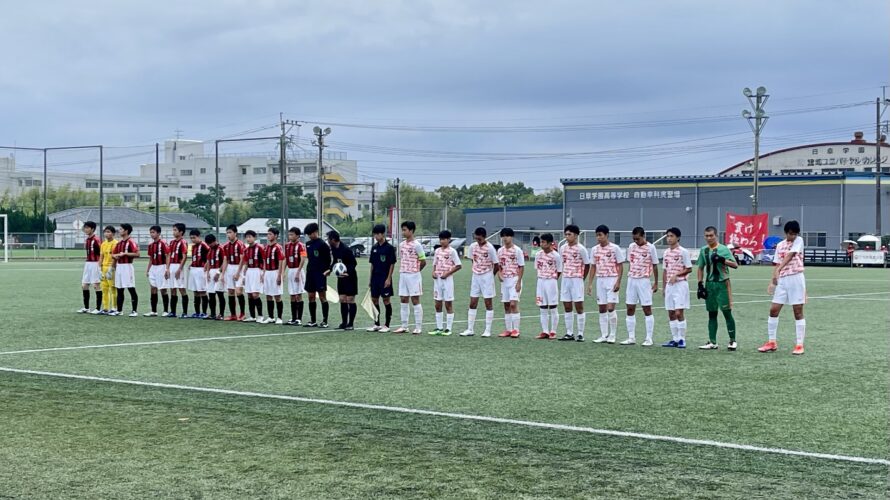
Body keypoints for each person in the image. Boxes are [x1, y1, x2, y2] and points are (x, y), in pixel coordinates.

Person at [759, 220, 807, 355]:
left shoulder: (799, 241)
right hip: (783, 281)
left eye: (794, 234)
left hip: (796, 278)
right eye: (790, 234)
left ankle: (799, 344)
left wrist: (780, 268)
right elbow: (776, 264)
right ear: (786, 233)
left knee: (797, 311)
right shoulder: (780, 245)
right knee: (773, 310)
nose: (792, 236)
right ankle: (772, 342)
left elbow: (791, 255)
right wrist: (773, 281)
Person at [696, 226, 739, 350]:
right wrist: (700, 285)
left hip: (722, 284)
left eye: (711, 235)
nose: (709, 238)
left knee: (726, 312)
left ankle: (732, 340)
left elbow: (735, 265)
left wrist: (722, 260)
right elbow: (700, 267)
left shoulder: (724, 249)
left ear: (716, 236)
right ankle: (712, 341)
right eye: (706, 236)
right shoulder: (704, 250)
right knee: (712, 313)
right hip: (710, 284)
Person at [621, 227, 659, 346]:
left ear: (643, 236)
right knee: (630, 308)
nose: (636, 241)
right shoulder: (631, 246)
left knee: (646, 309)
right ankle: (631, 337)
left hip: (644, 280)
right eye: (634, 239)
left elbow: (655, 265)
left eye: (638, 239)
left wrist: (656, 282)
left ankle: (649, 338)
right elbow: (630, 263)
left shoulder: (651, 247)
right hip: (632, 279)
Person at [587, 225, 624, 344]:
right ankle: (604, 335)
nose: (598, 238)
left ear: (607, 235)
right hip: (600, 280)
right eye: (597, 235)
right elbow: (593, 266)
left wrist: (618, 281)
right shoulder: (594, 249)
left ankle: (612, 335)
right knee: (602, 308)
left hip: (612, 279)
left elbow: (620, 265)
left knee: (610, 307)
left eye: (600, 235)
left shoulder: (615, 248)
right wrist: (590, 284)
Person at [461, 227, 499, 337]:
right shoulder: (473, 247)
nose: (478, 241)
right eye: (476, 239)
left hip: (487, 276)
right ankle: (470, 329)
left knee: (488, 302)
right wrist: (477, 269)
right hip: (476, 276)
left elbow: (496, 264)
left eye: (480, 239)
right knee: (473, 302)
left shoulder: (490, 248)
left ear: (484, 237)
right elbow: (473, 259)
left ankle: (487, 330)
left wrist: (491, 276)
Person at [661, 227, 692, 348]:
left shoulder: (683, 251)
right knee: (671, 313)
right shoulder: (666, 253)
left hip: (680, 284)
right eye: (668, 236)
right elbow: (664, 271)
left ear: (678, 237)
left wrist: (677, 275)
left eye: (671, 236)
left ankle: (682, 339)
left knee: (679, 313)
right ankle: (674, 339)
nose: (669, 238)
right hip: (670, 286)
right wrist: (664, 287)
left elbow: (689, 268)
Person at [558, 224, 590, 342]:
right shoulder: (562, 248)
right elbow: (562, 263)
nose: (567, 236)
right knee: (567, 306)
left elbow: (587, 265)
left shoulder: (581, 249)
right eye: (566, 234)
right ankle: (569, 332)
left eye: (569, 234)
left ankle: (580, 333)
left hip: (577, 279)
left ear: (576, 235)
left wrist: (582, 278)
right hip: (566, 279)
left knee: (579, 306)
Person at [395, 221, 426, 334]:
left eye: (405, 230)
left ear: (411, 231)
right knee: (403, 299)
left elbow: (423, 261)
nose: (403, 232)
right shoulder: (402, 245)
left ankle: (418, 327)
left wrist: (415, 271)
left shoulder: (417, 245)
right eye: (402, 230)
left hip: (413, 275)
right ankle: (404, 326)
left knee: (415, 300)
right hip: (403, 274)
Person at [428, 230, 461, 336]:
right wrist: (433, 272)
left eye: (444, 239)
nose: (442, 241)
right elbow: (435, 263)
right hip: (437, 281)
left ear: (449, 240)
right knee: (437, 304)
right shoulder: (437, 251)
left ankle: (448, 328)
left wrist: (447, 273)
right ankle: (439, 327)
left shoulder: (452, 251)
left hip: (447, 281)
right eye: (441, 239)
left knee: (448, 304)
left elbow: (458, 265)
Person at [366, 224, 396, 332]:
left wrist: (388, 279)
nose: (375, 236)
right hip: (375, 278)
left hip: (384, 277)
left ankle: (387, 325)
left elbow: (392, 264)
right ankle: (376, 323)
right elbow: (372, 265)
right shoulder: (374, 248)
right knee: (374, 300)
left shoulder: (389, 248)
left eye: (377, 234)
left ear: (382, 234)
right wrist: (370, 279)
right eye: (374, 234)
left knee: (386, 300)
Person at [327, 230, 358, 330]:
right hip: (341, 278)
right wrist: (330, 270)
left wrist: (347, 272)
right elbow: (335, 261)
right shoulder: (334, 248)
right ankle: (344, 323)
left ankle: (351, 324)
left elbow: (354, 263)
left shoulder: (346, 249)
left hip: (350, 277)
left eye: (328, 239)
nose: (327, 241)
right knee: (342, 299)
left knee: (350, 300)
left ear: (333, 239)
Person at [497, 227, 525, 338]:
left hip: (514, 279)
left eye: (507, 236)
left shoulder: (517, 250)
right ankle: (508, 330)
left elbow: (521, 266)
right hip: (505, 280)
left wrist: (519, 281)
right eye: (503, 236)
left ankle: (516, 330)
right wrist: (499, 274)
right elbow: (499, 265)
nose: (505, 238)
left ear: (511, 237)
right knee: (506, 305)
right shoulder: (500, 251)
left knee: (513, 304)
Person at [534, 233, 563, 340]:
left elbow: (559, 270)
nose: (541, 244)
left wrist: (553, 279)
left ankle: (553, 331)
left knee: (553, 306)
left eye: (543, 242)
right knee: (542, 307)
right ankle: (545, 331)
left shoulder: (556, 255)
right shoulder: (538, 255)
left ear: (550, 243)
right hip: (540, 281)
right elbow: (537, 268)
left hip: (551, 281)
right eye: (540, 242)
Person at [303, 223, 332, 328]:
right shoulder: (308, 244)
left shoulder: (323, 245)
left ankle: (325, 321)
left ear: (316, 232)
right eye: (308, 235)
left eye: (311, 234)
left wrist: (326, 271)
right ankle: (313, 320)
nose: (310, 236)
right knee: (310, 296)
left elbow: (328, 260)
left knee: (322, 297)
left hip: (320, 274)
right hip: (310, 273)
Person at [234, 230, 265, 323]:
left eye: (250, 237)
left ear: (254, 238)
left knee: (255, 294)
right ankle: (252, 316)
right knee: (250, 294)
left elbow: (264, 260)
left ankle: (260, 315)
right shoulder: (246, 250)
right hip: (249, 272)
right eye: (247, 237)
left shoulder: (260, 248)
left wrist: (263, 273)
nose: (248, 239)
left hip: (257, 271)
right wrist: (243, 276)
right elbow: (246, 263)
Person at [111, 223, 140, 317]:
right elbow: (113, 254)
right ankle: (119, 310)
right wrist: (115, 257)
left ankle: (134, 311)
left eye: (121, 229)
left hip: (127, 266)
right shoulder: (119, 243)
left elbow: (137, 254)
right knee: (119, 289)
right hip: (119, 266)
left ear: (126, 231)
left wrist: (125, 254)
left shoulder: (131, 242)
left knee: (131, 288)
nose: (119, 231)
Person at [220, 225, 247, 321]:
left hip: (238, 268)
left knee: (239, 291)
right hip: (230, 268)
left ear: (235, 233)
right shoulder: (226, 246)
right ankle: (233, 315)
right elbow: (225, 260)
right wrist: (223, 274)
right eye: (227, 233)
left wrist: (238, 273)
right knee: (231, 292)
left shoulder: (240, 244)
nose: (228, 235)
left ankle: (243, 313)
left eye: (230, 232)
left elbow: (242, 259)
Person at [165, 223, 189, 318]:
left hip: (178, 266)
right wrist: (167, 268)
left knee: (181, 288)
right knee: (172, 289)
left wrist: (180, 269)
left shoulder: (183, 242)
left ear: (181, 232)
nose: (173, 232)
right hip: (171, 266)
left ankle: (185, 313)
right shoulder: (172, 242)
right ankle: (173, 312)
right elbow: (169, 256)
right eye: (173, 230)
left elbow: (184, 256)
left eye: (175, 230)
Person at [261, 228, 285, 325]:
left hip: (275, 272)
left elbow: (281, 261)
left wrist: (279, 275)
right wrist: (263, 273)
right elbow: (264, 261)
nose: (268, 236)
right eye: (268, 234)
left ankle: (279, 317)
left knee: (277, 296)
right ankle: (270, 317)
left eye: (270, 234)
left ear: (275, 236)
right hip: (268, 272)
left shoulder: (278, 247)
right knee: (268, 295)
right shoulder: (266, 247)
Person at [144, 225, 169, 317]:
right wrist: (148, 269)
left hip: (161, 267)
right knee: (153, 288)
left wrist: (167, 269)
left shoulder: (163, 243)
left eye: (153, 232)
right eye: (150, 232)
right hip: (153, 268)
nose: (151, 234)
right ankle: (153, 311)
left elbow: (167, 256)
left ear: (158, 233)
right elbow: (151, 258)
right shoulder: (150, 245)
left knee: (163, 289)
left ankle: (166, 311)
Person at [285, 227, 307, 325]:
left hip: (298, 270)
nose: (290, 236)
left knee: (298, 294)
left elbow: (303, 258)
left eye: (292, 234)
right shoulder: (287, 246)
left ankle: (299, 318)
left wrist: (298, 272)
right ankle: (293, 317)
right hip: (290, 270)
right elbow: (286, 259)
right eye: (289, 234)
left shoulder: (301, 246)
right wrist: (283, 272)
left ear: (297, 236)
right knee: (292, 295)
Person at [78, 221, 102, 314]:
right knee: (84, 285)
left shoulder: (96, 239)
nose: (85, 229)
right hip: (88, 263)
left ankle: (98, 308)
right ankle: (86, 307)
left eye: (87, 228)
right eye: (85, 227)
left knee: (96, 285)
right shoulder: (87, 240)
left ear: (92, 229)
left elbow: (101, 253)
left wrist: (100, 265)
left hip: (95, 263)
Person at [187, 229, 210, 318]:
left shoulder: (204, 245)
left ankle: (204, 312)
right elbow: (195, 258)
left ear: (198, 237)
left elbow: (209, 255)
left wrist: (206, 265)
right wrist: (191, 264)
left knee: (202, 291)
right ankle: (197, 312)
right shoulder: (193, 247)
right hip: (194, 269)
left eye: (194, 238)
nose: (193, 240)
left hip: (201, 270)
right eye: (191, 238)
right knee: (195, 291)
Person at [98, 225, 118, 315]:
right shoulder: (103, 244)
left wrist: (112, 268)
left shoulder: (115, 243)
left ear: (113, 233)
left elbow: (115, 258)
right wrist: (99, 268)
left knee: (113, 288)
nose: (106, 234)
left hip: (112, 268)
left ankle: (114, 308)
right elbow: (101, 257)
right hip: (104, 268)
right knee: (104, 289)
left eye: (109, 232)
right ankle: (105, 308)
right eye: (105, 232)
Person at [204, 234, 226, 320]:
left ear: (214, 241)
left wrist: (218, 272)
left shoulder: (221, 249)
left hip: (218, 271)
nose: (209, 245)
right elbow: (208, 261)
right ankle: (212, 313)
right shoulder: (210, 250)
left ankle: (221, 314)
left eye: (210, 243)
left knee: (220, 293)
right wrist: (208, 272)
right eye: (208, 244)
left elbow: (224, 262)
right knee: (211, 294)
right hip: (211, 271)